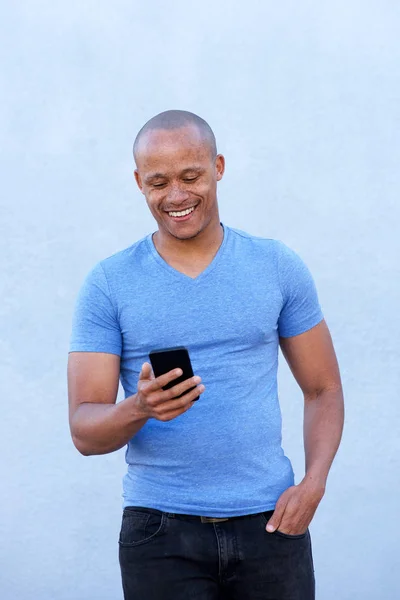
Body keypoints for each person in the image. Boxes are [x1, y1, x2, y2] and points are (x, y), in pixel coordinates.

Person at [68, 110, 344, 600]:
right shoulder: (109, 284)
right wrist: (140, 407)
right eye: (158, 182)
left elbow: (322, 388)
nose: (176, 195)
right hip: (159, 533)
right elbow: (84, 432)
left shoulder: (276, 265)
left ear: (218, 166)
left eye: (191, 176)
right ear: (139, 183)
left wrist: (314, 484)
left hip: (272, 525)